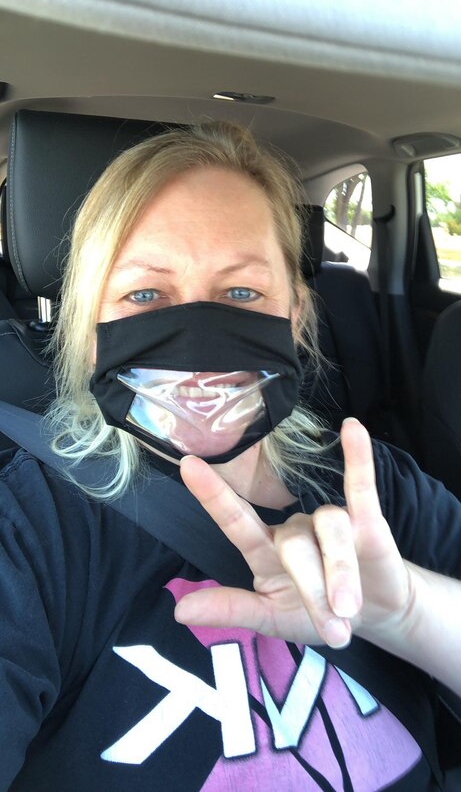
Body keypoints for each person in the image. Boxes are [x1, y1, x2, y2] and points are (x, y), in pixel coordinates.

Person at [0, 121, 460, 791]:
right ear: (89, 327)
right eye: (145, 295)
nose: (198, 339)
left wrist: (409, 615)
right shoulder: (31, 530)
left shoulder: (379, 491)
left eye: (242, 294)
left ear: (296, 315)